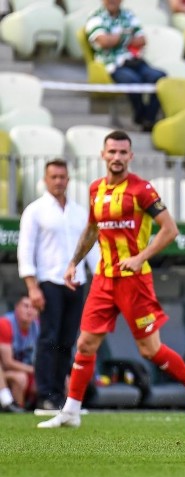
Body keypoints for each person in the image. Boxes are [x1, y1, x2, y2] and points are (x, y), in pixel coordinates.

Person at [37, 130, 185, 429]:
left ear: (130, 156)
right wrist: (74, 263)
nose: (117, 157)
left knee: (150, 350)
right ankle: (71, 410)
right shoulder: (95, 189)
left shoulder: (142, 190)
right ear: (103, 155)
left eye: (122, 152)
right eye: (112, 152)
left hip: (134, 281)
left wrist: (140, 257)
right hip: (104, 279)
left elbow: (170, 230)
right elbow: (92, 229)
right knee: (86, 344)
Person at [17, 159, 99, 411]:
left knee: (67, 340)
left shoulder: (79, 211)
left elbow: (91, 246)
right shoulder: (35, 210)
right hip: (49, 281)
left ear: (68, 180)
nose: (58, 181)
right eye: (54, 177)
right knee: (48, 339)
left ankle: (60, 395)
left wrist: (98, 278)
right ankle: (45, 395)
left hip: (76, 283)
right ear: (45, 179)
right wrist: (32, 286)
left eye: (62, 177)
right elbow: (26, 248)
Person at [86, 0, 167, 132]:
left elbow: (142, 40)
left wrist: (116, 38)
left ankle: (148, 119)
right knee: (133, 81)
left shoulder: (128, 14)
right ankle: (141, 116)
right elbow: (103, 41)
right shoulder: (95, 16)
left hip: (135, 61)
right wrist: (127, 37)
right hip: (113, 64)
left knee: (160, 77)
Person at [0, 295, 39, 409]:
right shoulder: (5, 324)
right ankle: (15, 408)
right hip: (4, 372)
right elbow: (8, 363)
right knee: (20, 378)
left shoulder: (37, 327)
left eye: (33, 307)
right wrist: (35, 370)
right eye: (26, 306)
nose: (29, 310)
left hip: (24, 369)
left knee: (50, 380)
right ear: (16, 308)